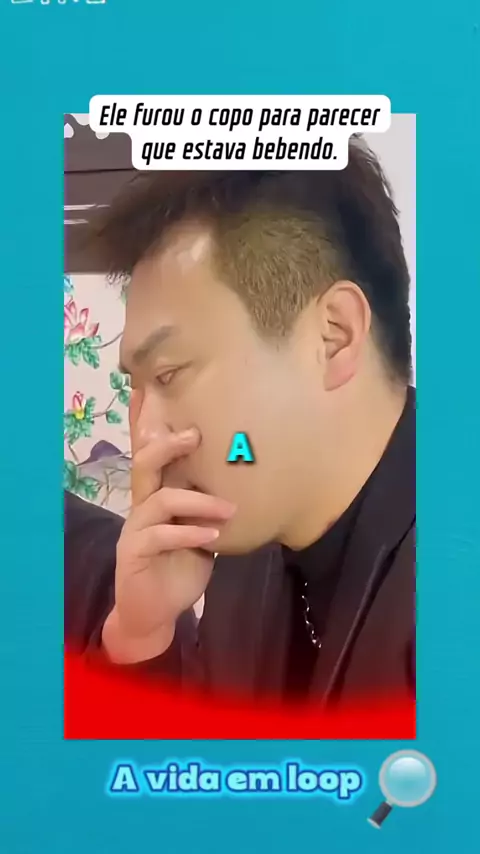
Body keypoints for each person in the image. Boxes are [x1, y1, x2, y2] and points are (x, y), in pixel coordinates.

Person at [65, 139, 415, 710]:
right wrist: (142, 635)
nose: (146, 436)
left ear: (334, 336)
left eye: (170, 373)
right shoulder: (243, 546)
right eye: (137, 388)